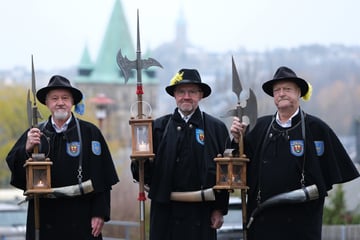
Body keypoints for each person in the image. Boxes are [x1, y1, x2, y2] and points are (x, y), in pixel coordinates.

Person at [230, 66, 360, 240]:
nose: (281, 93)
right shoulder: (257, 127)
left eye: (287, 89)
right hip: (263, 223)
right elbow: (236, 165)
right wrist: (237, 139)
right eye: (277, 90)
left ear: (299, 93)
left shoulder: (317, 129)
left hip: (302, 225)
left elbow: (330, 176)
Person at [6, 75, 119, 240]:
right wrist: (27, 149)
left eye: (65, 98)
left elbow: (102, 176)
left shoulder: (90, 133)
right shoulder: (35, 133)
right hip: (44, 215)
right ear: (47, 103)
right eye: (55, 98)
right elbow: (14, 165)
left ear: (72, 102)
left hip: (81, 216)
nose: (60, 102)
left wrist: (99, 213)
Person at [131, 69, 230, 240]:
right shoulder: (156, 127)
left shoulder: (216, 128)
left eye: (192, 92)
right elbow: (140, 174)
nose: (186, 96)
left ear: (200, 95)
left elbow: (225, 174)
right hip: (165, 214)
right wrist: (141, 162)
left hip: (202, 213)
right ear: (174, 95)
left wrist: (219, 208)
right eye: (181, 92)